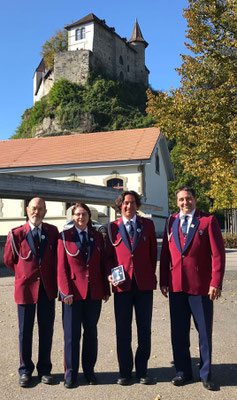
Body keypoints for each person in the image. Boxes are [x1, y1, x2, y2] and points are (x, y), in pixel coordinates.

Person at [160, 186, 225, 391]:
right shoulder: (171, 221)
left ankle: (205, 374)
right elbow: (165, 255)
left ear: (195, 199)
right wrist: (163, 280)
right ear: (176, 202)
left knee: (204, 333)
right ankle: (183, 372)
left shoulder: (208, 221)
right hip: (177, 287)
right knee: (178, 332)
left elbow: (218, 255)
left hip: (201, 288)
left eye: (188, 199)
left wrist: (216, 282)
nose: (185, 203)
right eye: (181, 200)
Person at [4, 197, 58, 387]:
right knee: (25, 332)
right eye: (34, 208)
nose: (37, 212)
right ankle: (25, 370)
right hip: (26, 289)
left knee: (46, 331)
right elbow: (10, 260)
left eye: (41, 209)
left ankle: (45, 369)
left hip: (47, 289)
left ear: (45, 211)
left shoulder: (52, 232)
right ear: (27, 210)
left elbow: (55, 259)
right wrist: (24, 274)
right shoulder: (16, 233)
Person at [106, 190, 157, 385]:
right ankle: (125, 372)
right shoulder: (112, 228)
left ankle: (142, 370)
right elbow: (108, 257)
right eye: (125, 203)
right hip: (123, 286)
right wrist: (110, 274)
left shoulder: (148, 225)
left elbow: (153, 254)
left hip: (143, 285)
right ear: (120, 206)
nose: (129, 206)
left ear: (137, 205)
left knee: (144, 329)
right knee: (123, 330)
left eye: (133, 203)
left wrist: (147, 274)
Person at [57, 203, 110, 388]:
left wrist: (105, 289)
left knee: (91, 334)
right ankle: (70, 374)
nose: (81, 217)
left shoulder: (97, 236)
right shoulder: (64, 237)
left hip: (93, 293)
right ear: (73, 216)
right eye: (78, 214)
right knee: (71, 336)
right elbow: (61, 268)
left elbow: (102, 265)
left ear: (89, 216)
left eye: (84, 214)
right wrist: (65, 293)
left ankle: (89, 372)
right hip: (73, 295)